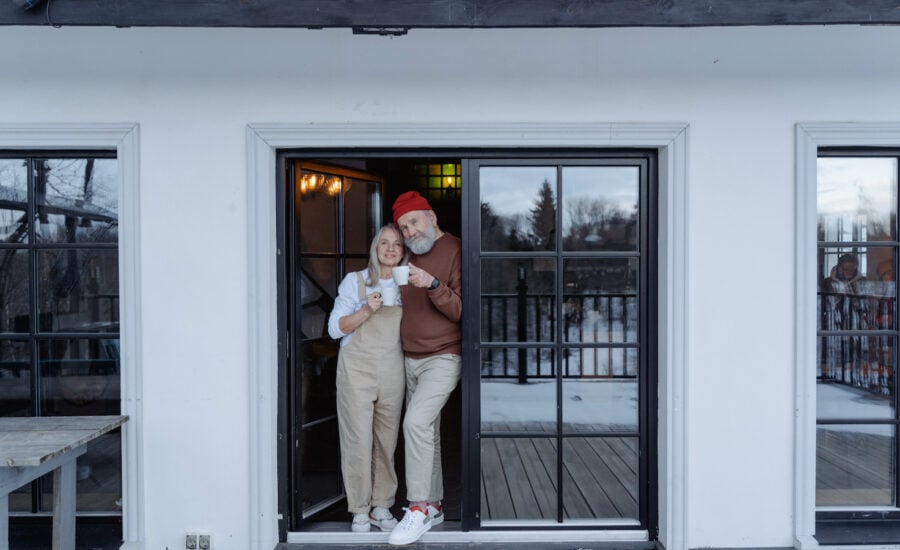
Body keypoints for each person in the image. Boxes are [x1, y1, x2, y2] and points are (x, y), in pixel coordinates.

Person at [387, 191, 462, 546]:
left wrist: (432, 285)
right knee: (426, 432)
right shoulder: (404, 255)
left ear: (431, 217)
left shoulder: (457, 249)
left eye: (414, 221)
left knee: (415, 423)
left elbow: (464, 311)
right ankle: (433, 505)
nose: (410, 231)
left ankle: (416, 509)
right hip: (407, 357)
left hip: (443, 356)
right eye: (403, 226)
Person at [327, 224, 407, 532]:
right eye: (384, 243)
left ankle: (381, 507)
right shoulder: (355, 281)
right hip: (357, 368)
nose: (390, 249)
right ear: (375, 249)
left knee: (386, 442)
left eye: (396, 245)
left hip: (392, 368)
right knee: (357, 440)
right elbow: (335, 329)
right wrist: (366, 310)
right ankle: (359, 508)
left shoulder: (407, 285)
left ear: (402, 252)